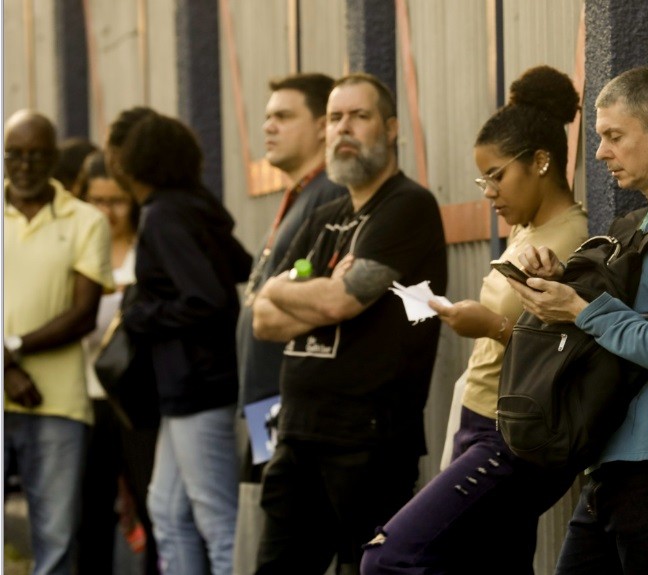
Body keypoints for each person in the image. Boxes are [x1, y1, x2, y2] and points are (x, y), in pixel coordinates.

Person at [360, 65, 589, 575]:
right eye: (482, 178)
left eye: (497, 175)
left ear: (542, 162)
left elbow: (566, 347)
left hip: (510, 436)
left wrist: (489, 326)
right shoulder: (528, 228)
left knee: (387, 556)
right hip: (480, 416)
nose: (488, 191)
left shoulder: (571, 239)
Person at [508, 67, 648, 575]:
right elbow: (632, 306)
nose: (601, 152)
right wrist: (563, 277)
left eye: (613, 136)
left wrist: (580, 310)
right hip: (622, 460)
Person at [251, 72, 447, 574]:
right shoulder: (326, 215)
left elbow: (341, 302)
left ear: (391, 128)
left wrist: (285, 290)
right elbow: (262, 320)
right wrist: (291, 295)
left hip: (369, 439)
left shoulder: (408, 206)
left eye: (359, 117)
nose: (344, 128)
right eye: (336, 118)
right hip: (296, 431)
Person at [106, 107, 253, 575]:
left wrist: (139, 314)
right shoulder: (195, 206)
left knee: (216, 518)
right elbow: (241, 265)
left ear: (138, 160)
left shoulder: (163, 215)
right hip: (189, 385)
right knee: (166, 510)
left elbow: (205, 297)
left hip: (196, 384)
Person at [233, 72, 347, 575]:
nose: (268, 127)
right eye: (265, 117)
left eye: (283, 116)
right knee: (272, 526)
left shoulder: (327, 195)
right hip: (267, 405)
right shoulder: (300, 192)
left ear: (322, 126)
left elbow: (305, 297)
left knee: (289, 542)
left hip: (290, 405)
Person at [4, 110, 114, 575]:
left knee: (57, 540)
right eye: (14, 154)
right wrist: (6, 369)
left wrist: (9, 348)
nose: (25, 165)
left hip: (59, 407)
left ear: (54, 159)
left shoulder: (87, 221)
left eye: (37, 155)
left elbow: (83, 314)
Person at [72, 151, 160, 574]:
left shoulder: (147, 248)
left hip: (137, 400)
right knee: (89, 513)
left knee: (151, 505)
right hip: (86, 397)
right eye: (96, 200)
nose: (106, 212)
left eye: (116, 200)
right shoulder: (76, 249)